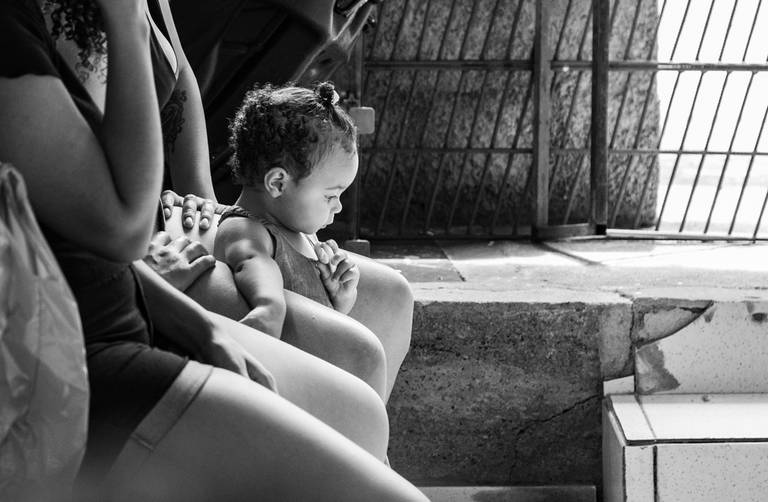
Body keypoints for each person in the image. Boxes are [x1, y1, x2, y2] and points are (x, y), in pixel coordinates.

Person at [0, 0, 429, 500]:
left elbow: (179, 81)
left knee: (390, 297)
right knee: (357, 370)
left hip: (142, 265)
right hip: (115, 294)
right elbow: (122, 227)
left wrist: (212, 211)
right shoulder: (24, 27)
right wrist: (127, 19)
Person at [52, 0, 412, 401]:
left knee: (393, 295)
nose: (338, 206)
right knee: (357, 353)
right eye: (333, 195)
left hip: (165, 213)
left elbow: (179, 77)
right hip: (124, 238)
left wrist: (205, 203)